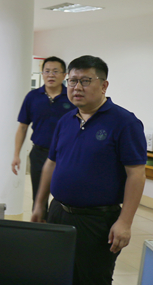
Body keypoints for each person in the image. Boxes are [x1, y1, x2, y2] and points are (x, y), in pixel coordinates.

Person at [31, 55, 146, 285]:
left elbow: (136, 174)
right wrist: (40, 204)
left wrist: (125, 222)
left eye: (85, 81)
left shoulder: (125, 123)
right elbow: (51, 163)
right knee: (55, 273)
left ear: (104, 85)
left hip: (97, 221)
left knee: (92, 279)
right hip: (58, 213)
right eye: (72, 81)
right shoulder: (66, 120)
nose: (77, 87)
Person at [11, 56, 71, 207]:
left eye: (55, 71)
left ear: (64, 75)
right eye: (47, 71)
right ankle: (41, 221)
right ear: (42, 74)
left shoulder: (72, 97)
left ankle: (58, 222)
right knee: (39, 198)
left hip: (66, 154)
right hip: (39, 153)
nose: (51, 75)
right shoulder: (32, 97)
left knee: (65, 197)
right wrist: (16, 155)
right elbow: (22, 127)